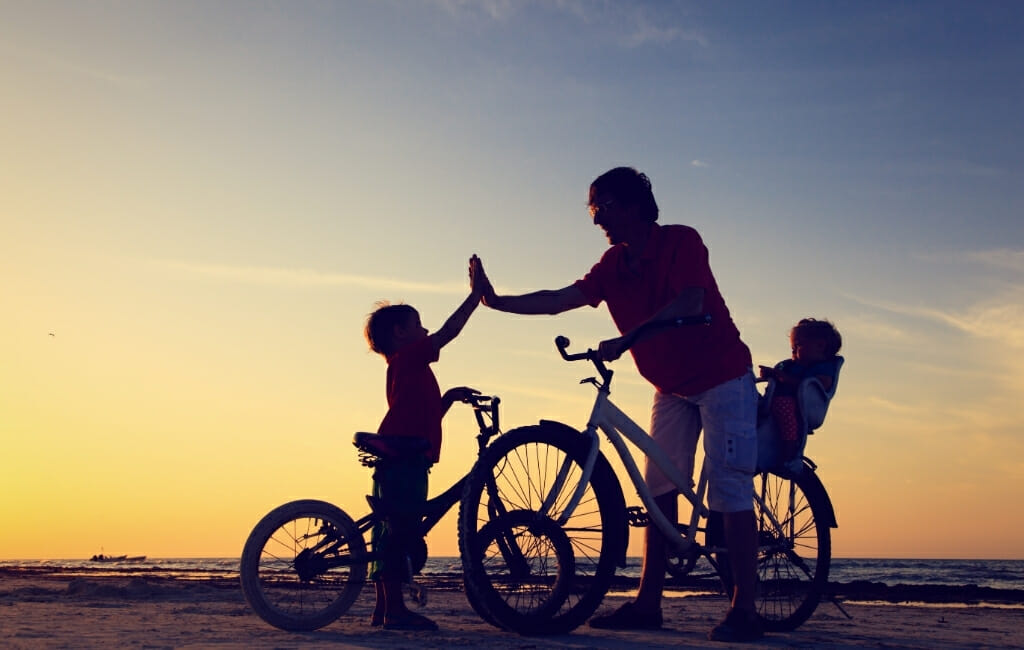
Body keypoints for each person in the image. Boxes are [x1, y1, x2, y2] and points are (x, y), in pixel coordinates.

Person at [470, 167, 763, 642]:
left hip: (723, 376)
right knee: (657, 492)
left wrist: (630, 336)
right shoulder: (612, 264)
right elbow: (558, 299)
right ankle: (649, 604)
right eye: (592, 209)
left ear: (632, 204)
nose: (595, 219)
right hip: (670, 386)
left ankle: (745, 609)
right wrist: (497, 302)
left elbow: (690, 302)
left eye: (601, 207)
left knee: (729, 487)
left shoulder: (680, 241)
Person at [362, 257, 484, 631]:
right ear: (401, 332)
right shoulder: (409, 359)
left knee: (390, 530)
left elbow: (423, 416)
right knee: (401, 530)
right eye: (418, 324)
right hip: (404, 462)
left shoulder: (406, 369)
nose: (426, 329)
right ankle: (396, 611)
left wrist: (448, 397)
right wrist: (475, 297)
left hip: (400, 454)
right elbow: (448, 331)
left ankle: (384, 609)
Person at [759, 318, 842, 461]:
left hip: (797, 406)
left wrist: (782, 377)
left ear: (820, 346)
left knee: (784, 407)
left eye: (798, 345)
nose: (793, 351)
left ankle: (790, 447)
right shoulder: (790, 365)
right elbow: (778, 375)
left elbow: (819, 385)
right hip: (773, 400)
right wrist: (771, 374)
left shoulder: (823, 367)